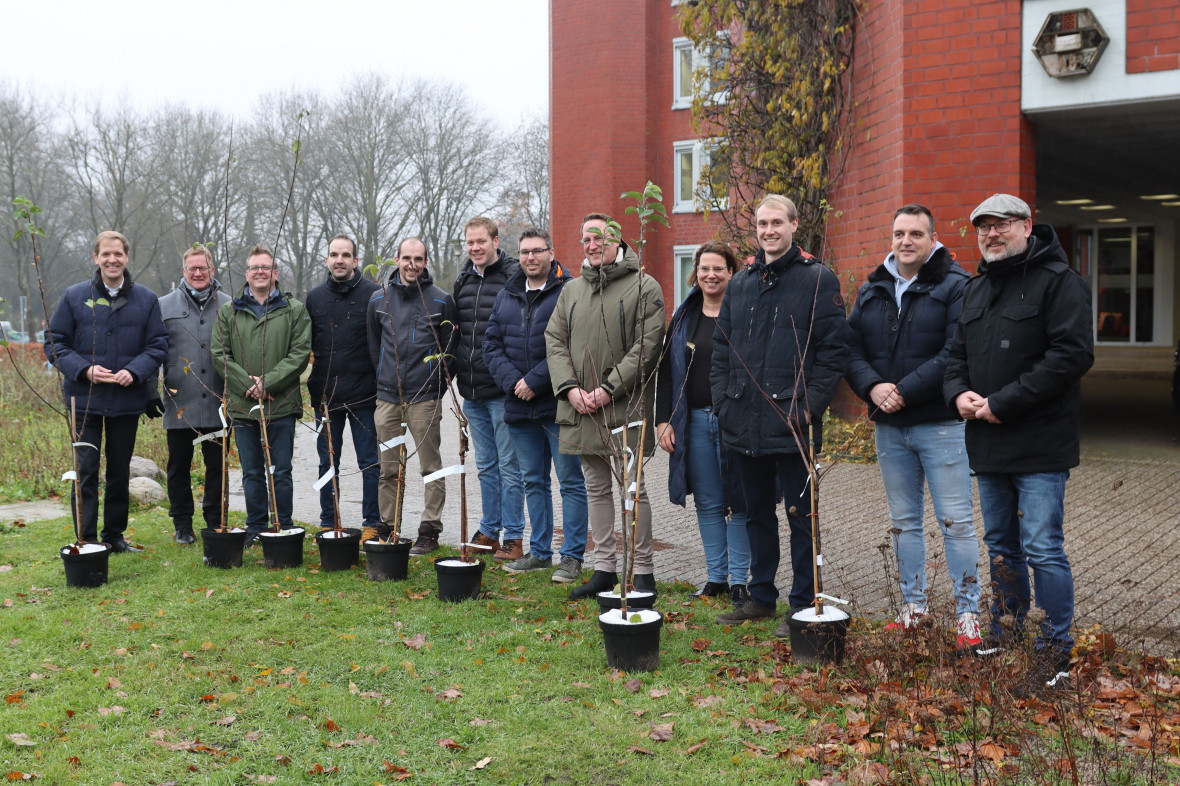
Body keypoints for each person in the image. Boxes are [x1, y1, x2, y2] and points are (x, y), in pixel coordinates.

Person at [944, 193, 1093, 692]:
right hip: (987, 443)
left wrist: (1001, 403)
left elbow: (1070, 356)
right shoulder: (975, 288)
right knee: (1002, 546)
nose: (991, 234)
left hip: (1039, 446)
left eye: (1002, 224)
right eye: (983, 226)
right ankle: (1005, 632)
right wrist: (957, 393)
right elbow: (954, 356)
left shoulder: (1060, 283)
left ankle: (1055, 651)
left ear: (1028, 226)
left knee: (1043, 548)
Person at [711, 195, 850, 634]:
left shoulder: (818, 280)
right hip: (743, 422)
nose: (768, 231)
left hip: (792, 424)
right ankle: (761, 596)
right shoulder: (740, 284)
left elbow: (832, 353)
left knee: (800, 517)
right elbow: (721, 351)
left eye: (777, 223)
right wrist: (723, 402)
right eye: (762, 224)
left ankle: (803, 602)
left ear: (794, 225)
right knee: (755, 514)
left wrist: (808, 408)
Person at [846, 204, 981, 648]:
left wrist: (901, 388)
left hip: (940, 424)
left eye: (916, 234)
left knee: (955, 521)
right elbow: (849, 350)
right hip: (890, 428)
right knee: (904, 522)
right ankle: (914, 608)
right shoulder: (873, 288)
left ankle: (967, 616)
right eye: (899, 233)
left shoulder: (956, 286)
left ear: (933, 238)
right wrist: (872, 388)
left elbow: (956, 351)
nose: (906, 241)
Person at [545, 213, 665, 600]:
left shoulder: (645, 286)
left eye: (600, 238)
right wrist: (569, 389)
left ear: (617, 239)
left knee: (633, 489)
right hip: (580, 406)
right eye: (586, 240)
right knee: (595, 488)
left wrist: (609, 388)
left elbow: (647, 346)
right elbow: (554, 340)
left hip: (623, 406)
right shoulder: (571, 290)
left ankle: (643, 570)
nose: (593, 245)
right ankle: (604, 569)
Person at [45, 230, 168, 552]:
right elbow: (55, 343)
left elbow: (157, 345)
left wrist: (135, 370)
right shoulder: (74, 297)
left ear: (126, 257)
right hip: (83, 401)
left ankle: (114, 536)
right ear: (96, 258)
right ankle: (86, 539)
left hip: (126, 401)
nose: (112, 260)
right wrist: (84, 369)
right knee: (85, 472)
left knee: (118, 472)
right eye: (106, 254)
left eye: (118, 254)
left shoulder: (146, 299)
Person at [484, 229, 588, 581]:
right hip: (519, 405)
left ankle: (572, 556)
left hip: (560, 403)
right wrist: (515, 382)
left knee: (570, 482)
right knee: (533, 481)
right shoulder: (507, 295)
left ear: (551, 252)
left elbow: (574, 344)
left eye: (537, 251)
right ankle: (541, 552)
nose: (530, 258)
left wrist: (535, 381)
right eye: (525, 252)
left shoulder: (569, 291)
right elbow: (491, 345)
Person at [656, 241, 751, 605]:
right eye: (704, 268)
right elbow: (665, 373)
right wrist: (663, 421)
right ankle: (717, 578)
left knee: (740, 502)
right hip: (693, 422)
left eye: (719, 268)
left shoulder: (745, 314)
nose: (711, 275)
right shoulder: (682, 319)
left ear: (731, 272)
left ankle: (741, 581)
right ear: (694, 273)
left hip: (737, 422)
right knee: (709, 502)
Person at [211, 246, 311, 545]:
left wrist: (268, 383)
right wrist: (249, 385)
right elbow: (219, 353)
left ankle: (282, 525)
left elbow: (300, 353)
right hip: (243, 407)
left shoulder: (294, 310)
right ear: (246, 273)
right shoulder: (230, 311)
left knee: (281, 471)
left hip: (280, 404)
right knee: (252, 472)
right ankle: (255, 526)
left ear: (275, 273)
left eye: (265, 267)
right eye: (254, 267)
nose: (259, 272)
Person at [366, 238, 457, 555]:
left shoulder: (441, 301)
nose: (412, 264)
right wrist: (383, 382)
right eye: (406, 258)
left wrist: (435, 390)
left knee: (431, 466)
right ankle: (388, 529)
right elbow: (373, 347)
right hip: (387, 400)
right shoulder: (378, 300)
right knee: (388, 468)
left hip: (424, 400)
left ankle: (429, 530)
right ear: (396, 259)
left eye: (418, 259)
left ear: (426, 261)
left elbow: (449, 353)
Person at [452, 217, 525, 562]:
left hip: (502, 390)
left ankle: (513, 535)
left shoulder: (514, 276)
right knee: (486, 466)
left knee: (510, 466)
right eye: (470, 243)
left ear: (496, 241)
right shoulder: (463, 280)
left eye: (481, 241)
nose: (475, 248)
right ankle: (489, 528)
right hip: (472, 392)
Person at [306, 235, 381, 537]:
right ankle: (328, 521)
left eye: (346, 255)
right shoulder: (314, 298)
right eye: (334, 254)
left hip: (366, 393)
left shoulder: (374, 295)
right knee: (327, 461)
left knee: (370, 463)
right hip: (326, 396)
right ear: (327, 260)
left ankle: (372, 524)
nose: (340, 260)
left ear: (355, 260)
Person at [157, 245, 231, 544]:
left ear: (212, 270)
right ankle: (182, 524)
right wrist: (152, 390)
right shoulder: (164, 307)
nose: (198, 273)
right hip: (180, 402)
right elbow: (154, 351)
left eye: (203, 268)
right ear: (183, 271)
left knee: (217, 467)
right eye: (192, 269)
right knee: (178, 466)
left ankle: (214, 519)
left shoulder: (229, 305)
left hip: (218, 402)